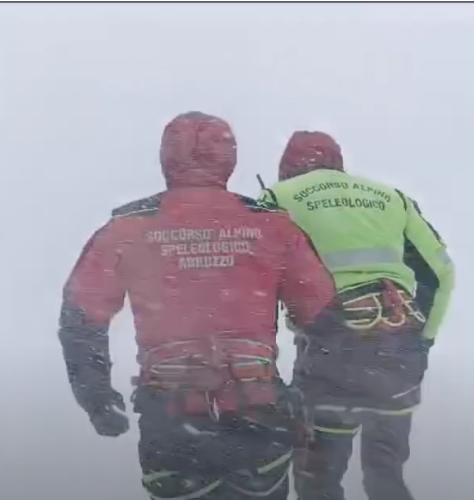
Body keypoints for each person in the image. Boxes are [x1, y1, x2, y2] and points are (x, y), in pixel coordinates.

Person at [57, 112, 346, 500]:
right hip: (258, 418)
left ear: (166, 158)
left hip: (173, 424)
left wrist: (97, 399)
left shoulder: (128, 228)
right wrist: (312, 396)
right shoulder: (272, 226)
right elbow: (325, 316)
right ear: (230, 158)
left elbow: (80, 319)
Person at [258, 130, 455, 500]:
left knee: (319, 479)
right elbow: (442, 273)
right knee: (386, 476)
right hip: (398, 354)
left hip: (331, 352)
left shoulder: (277, 198)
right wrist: (422, 341)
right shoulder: (392, 198)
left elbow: (257, 279)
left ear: (287, 167)